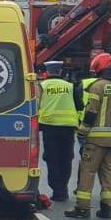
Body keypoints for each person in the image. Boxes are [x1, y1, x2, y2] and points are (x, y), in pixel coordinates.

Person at [66, 52, 111, 220]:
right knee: (108, 173)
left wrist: (83, 131)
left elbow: (91, 111)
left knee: (87, 172)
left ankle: (82, 208)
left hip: (95, 140)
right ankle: (107, 208)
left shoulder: (97, 86)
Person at [36, 61, 78, 202]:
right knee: (66, 158)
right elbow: (79, 104)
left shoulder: (42, 85)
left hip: (50, 126)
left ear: (47, 72)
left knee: (52, 158)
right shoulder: (70, 86)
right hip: (68, 127)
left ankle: (57, 190)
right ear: (60, 72)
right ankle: (63, 188)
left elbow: (36, 104)